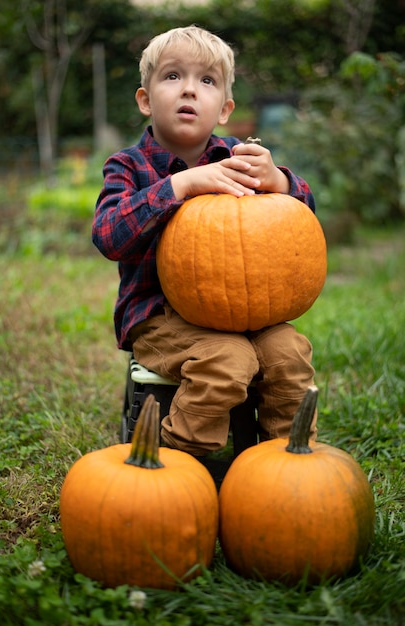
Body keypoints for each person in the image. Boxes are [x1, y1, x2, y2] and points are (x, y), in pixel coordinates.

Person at [93, 25, 317, 470]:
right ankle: (179, 463)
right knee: (227, 358)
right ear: (145, 99)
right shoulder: (129, 166)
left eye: (207, 81)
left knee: (289, 354)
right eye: (173, 76)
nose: (190, 90)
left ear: (225, 109)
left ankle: (285, 466)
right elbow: (108, 234)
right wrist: (179, 185)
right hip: (158, 317)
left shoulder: (237, 158)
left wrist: (281, 182)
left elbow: (302, 218)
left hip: (246, 311)